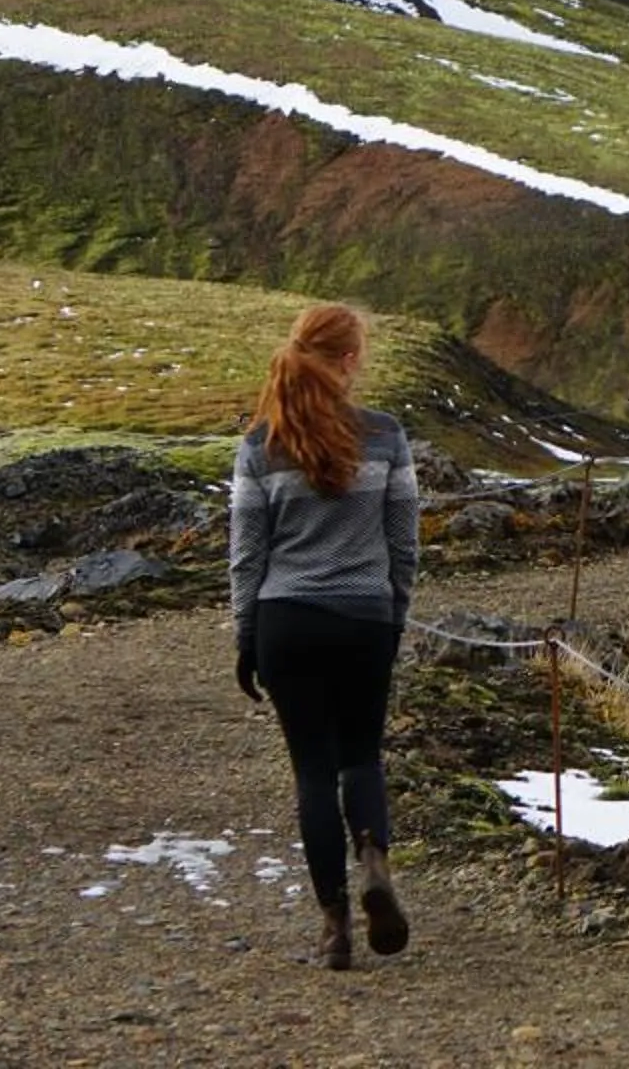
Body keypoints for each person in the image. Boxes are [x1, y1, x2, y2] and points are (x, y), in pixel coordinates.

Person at [229, 302, 420, 970]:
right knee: (362, 756)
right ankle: (374, 861)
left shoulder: (258, 448)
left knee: (312, 771)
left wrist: (247, 638)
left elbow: (248, 557)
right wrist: (392, 617)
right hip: (365, 618)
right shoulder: (387, 437)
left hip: (288, 624)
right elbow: (404, 544)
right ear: (348, 361)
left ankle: (334, 925)